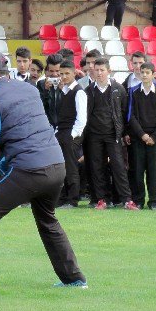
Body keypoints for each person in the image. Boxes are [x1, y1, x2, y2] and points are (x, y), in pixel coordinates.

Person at [0, 51, 86, 296]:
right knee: (47, 219)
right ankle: (74, 278)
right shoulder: (30, 89)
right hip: (56, 165)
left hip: (28, 168)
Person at [84, 58, 139, 210]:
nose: (99, 73)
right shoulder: (88, 91)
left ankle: (127, 200)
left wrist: (124, 133)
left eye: (102, 70)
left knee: (119, 167)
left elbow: (123, 113)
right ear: (93, 71)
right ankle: (102, 199)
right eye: (97, 70)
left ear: (109, 71)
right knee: (97, 168)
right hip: (94, 136)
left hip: (113, 135)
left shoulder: (118, 89)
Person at [126, 62, 156, 209]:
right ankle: (138, 200)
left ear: (153, 74)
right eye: (142, 72)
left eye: (147, 72)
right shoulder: (133, 91)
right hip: (138, 137)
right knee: (137, 170)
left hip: (154, 138)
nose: (144, 75)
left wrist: (154, 137)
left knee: (153, 170)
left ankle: (154, 200)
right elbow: (131, 116)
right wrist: (142, 135)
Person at [51, 60, 86, 208]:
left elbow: (82, 118)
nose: (63, 77)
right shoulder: (63, 92)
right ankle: (62, 198)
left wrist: (72, 135)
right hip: (61, 133)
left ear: (74, 73)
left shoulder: (79, 92)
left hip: (71, 135)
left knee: (71, 168)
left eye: (67, 73)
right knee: (61, 168)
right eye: (61, 74)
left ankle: (72, 200)